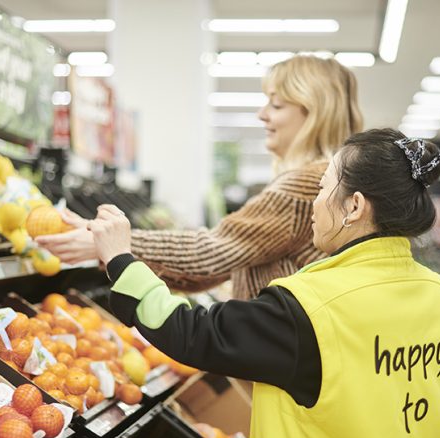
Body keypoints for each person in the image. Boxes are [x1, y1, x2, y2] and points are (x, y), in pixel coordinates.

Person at [86, 129, 440, 438]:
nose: (315, 207)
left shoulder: (312, 305)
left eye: (322, 189)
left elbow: (191, 332)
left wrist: (121, 261)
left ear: (354, 206)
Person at [37, 55, 363, 300]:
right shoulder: (331, 181)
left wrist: (113, 243)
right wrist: (111, 253)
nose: (262, 114)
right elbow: (215, 269)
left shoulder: (306, 184)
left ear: (313, 113)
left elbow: (213, 251)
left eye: (276, 105)